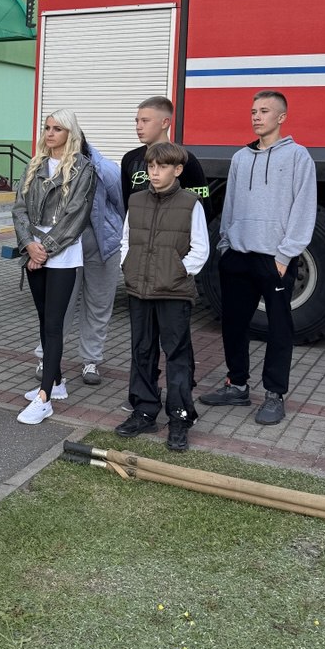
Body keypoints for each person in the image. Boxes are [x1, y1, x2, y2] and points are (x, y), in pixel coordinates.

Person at [200, 90, 317, 426]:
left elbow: (303, 207)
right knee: (234, 325)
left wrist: (285, 254)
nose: (256, 116)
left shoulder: (298, 157)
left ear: (281, 117)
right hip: (237, 255)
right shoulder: (240, 158)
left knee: (279, 329)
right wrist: (226, 245)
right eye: (253, 111)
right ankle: (236, 385)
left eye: (264, 111)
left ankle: (274, 394)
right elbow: (231, 205)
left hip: (274, 259)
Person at [114, 142, 210, 451]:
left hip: (173, 292)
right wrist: (127, 266)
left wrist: (176, 272)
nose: (155, 172)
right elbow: (126, 239)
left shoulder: (190, 203)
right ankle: (144, 410)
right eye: (151, 167)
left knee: (177, 355)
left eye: (162, 167)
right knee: (142, 351)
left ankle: (180, 417)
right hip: (139, 289)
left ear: (177, 170)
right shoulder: (136, 200)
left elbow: (201, 248)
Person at [13, 111, 96, 425]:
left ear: (70, 133)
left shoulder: (83, 169)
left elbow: (76, 216)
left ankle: (45, 396)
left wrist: (42, 250)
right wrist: (28, 245)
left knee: (54, 324)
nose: (49, 133)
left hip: (61, 255)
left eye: (56, 128)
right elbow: (19, 207)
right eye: (46, 128)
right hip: (34, 250)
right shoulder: (34, 164)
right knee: (43, 318)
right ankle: (57, 382)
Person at [64, 140, 125, 386]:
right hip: (65, 246)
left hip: (103, 245)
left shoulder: (106, 169)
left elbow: (121, 205)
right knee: (60, 305)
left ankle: (91, 360)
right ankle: (47, 357)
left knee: (99, 304)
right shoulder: (50, 168)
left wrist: (115, 233)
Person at [121, 96, 213, 220]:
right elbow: (126, 206)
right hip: (139, 234)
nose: (138, 126)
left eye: (145, 121)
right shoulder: (129, 159)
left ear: (165, 122)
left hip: (174, 234)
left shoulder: (186, 159)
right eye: (137, 121)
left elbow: (202, 209)